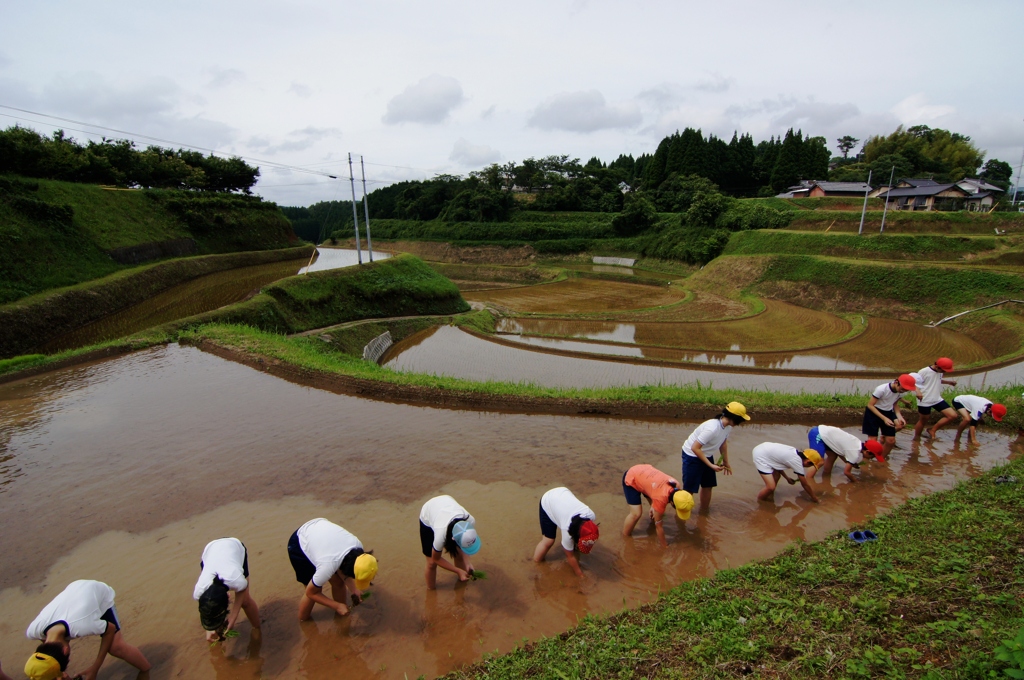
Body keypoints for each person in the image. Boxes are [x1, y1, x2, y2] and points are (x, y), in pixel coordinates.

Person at [24, 579, 151, 680]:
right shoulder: (33, 631)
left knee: (116, 647)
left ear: (65, 650)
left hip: (98, 594)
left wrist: (95, 668)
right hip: (74, 590)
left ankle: (146, 670)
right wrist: (61, 673)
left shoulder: (82, 625)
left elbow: (110, 630)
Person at [287, 518, 378, 621]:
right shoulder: (328, 565)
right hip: (299, 543)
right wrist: (336, 606)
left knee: (338, 582)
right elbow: (311, 593)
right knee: (314, 589)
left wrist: (354, 589)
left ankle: (342, 615)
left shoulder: (358, 548)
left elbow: (343, 565)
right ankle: (303, 620)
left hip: (320, 535)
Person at [681, 402, 750, 512]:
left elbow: (723, 443)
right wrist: (711, 465)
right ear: (734, 417)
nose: (740, 423)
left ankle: (704, 511)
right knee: (690, 489)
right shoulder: (712, 428)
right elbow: (695, 448)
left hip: (706, 454)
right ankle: (682, 513)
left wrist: (726, 462)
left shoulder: (727, 427)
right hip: (692, 455)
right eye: (740, 420)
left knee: (708, 485)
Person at [194, 537, 261, 642]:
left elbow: (242, 590)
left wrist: (233, 618)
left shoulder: (236, 579)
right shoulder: (199, 592)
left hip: (234, 547)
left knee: (245, 601)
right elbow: (206, 609)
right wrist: (209, 629)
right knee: (211, 608)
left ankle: (257, 629)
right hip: (210, 551)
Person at [621, 463, 694, 547]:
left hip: (646, 475)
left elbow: (658, 492)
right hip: (632, 477)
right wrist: (664, 546)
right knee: (636, 514)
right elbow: (659, 527)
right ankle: (625, 537)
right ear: (672, 503)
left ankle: (653, 514)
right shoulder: (661, 499)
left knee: (656, 510)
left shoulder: (676, 485)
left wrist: (654, 506)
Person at [533, 487, 600, 577]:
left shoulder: (590, 515)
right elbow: (570, 556)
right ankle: (536, 563)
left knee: (574, 546)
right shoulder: (567, 531)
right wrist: (580, 575)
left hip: (563, 493)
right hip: (548, 500)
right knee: (548, 541)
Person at [419, 495, 482, 589]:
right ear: (454, 539)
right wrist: (457, 570)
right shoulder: (441, 535)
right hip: (428, 516)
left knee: (459, 555)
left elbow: (465, 547)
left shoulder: (470, 521)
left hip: (446, 502)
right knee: (431, 563)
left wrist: (467, 563)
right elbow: (436, 558)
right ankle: (431, 591)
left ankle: (461, 583)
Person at [862, 374, 916, 459]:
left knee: (891, 441)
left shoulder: (900, 392)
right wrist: (884, 418)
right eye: (902, 389)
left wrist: (899, 417)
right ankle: (866, 461)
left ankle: (880, 459)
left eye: (906, 390)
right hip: (873, 412)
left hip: (888, 412)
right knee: (873, 441)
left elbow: (894, 404)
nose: (903, 391)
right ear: (896, 382)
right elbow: (870, 405)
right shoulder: (882, 389)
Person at [808, 424, 886, 483]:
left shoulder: (856, 442)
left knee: (832, 456)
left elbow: (840, 452)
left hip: (823, 431)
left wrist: (850, 463)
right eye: (872, 456)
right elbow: (847, 472)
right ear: (867, 452)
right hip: (818, 434)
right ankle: (808, 481)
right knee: (818, 461)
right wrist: (855, 481)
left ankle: (826, 479)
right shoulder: (855, 454)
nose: (872, 458)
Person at [752, 442, 821, 503]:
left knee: (777, 475)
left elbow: (778, 465)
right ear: (807, 461)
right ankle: (760, 502)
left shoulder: (794, 452)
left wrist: (787, 478)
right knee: (771, 487)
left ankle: (769, 494)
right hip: (760, 456)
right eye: (811, 465)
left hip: (763, 448)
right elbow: (805, 484)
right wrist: (814, 498)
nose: (808, 467)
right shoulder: (797, 462)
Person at [910, 358, 959, 440]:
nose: (945, 372)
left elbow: (936, 380)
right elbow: (913, 382)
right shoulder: (924, 371)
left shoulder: (939, 372)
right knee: (923, 420)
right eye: (944, 370)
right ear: (937, 366)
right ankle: (916, 438)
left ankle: (932, 430)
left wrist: (948, 382)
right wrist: (918, 392)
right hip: (924, 400)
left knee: (952, 415)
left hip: (937, 399)